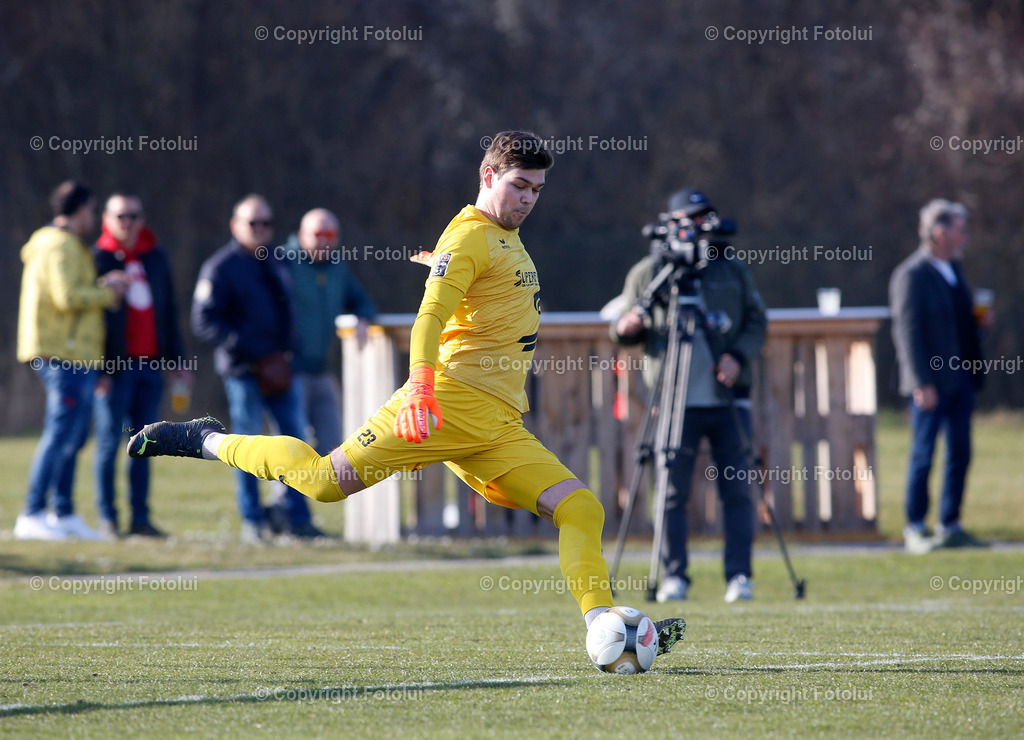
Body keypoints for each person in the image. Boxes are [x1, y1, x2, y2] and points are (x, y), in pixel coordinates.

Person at [129, 131, 685, 656]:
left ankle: (605, 628)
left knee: (580, 508)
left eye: (537, 190)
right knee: (324, 483)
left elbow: (471, 296)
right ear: (488, 175)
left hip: (496, 427)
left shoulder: (498, 240)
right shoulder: (470, 234)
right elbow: (428, 319)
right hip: (441, 405)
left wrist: (446, 272)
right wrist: (420, 385)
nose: (528, 199)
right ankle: (208, 440)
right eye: (519, 185)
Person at [611, 188, 767, 603]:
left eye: (705, 219)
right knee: (672, 491)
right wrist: (628, 326)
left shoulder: (730, 270)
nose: (699, 227)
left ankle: (739, 577)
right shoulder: (649, 272)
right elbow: (626, 327)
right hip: (673, 401)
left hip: (728, 399)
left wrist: (737, 356)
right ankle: (674, 577)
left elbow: (757, 322)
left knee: (735, 489)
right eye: (690, 219)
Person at [191, 194, 325, 543]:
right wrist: (248, 349)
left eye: (266, 223)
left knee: (296, 444)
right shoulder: (219, 267)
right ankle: (253, 522)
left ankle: (298, 520)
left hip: (281, 371)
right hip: (245, 373)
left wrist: (288, 351)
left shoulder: (276, 260)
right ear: (235, 225)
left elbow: (289, 311)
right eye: (253, 223)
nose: (260, 230)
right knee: (246, 449)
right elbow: (203, 321)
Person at [15, 181, 128, 541]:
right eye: (92, 211)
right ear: (80, 210)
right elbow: (66, 296)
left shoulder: (66, 245)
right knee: (60, 433)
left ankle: (62, 512)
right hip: (62, 356)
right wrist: (108, 292)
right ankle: (32, 513)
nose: (93, 218)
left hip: (78, 357)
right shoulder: (59, 245)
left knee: (75, 436)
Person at [889, 199, 990, 554]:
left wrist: (977, 323)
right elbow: (907, 332)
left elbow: (957, 321)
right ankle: (915, 526)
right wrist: (920, 382)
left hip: (961, 378)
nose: (965, 237)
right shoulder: (911, 275)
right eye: (960, 230)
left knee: (960, 452)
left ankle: (950, 524)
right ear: (939, 232)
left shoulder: (955, 270)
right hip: (930, 383)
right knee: (924, 453)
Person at [92, 193, 189, 539]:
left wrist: (177, 360)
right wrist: (100, 368)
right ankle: (107, 518)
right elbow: (93, 321)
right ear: (106, 218)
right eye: (120, 216)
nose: (127, 222)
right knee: (108, 443)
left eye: (133, 215)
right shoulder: (98, 258)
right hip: (115, 371)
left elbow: (168, 311)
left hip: (150, 367)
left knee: (145, 443)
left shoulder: (155, 257)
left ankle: (141, 518)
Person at [282, 208, 377, 456]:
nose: (324, 239)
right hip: (289, 370)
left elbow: (363, 301)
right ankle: (284, 496)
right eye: (318, 233)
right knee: (291, 443)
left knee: (334, 445)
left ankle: (327, 494)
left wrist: (363, 318)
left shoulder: (337, 268)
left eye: (330, 233)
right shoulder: (282, 262)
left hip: (323, 369)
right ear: (302, 235)